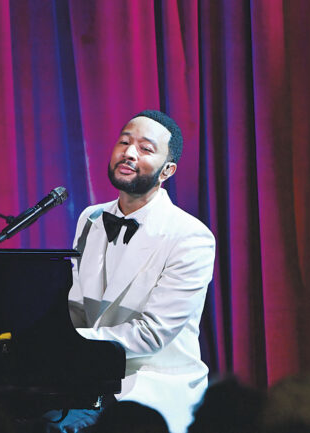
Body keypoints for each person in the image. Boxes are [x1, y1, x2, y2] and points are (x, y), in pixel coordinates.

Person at [66, 110, 216, 433]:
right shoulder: (89, 219)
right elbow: (76, 308)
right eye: (124, 142)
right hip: (88, 385)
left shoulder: (191, 237)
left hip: (152, 389)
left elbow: (152, 333)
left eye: (146, 149)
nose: (129, 153)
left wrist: (68, 346)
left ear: (168, 171)